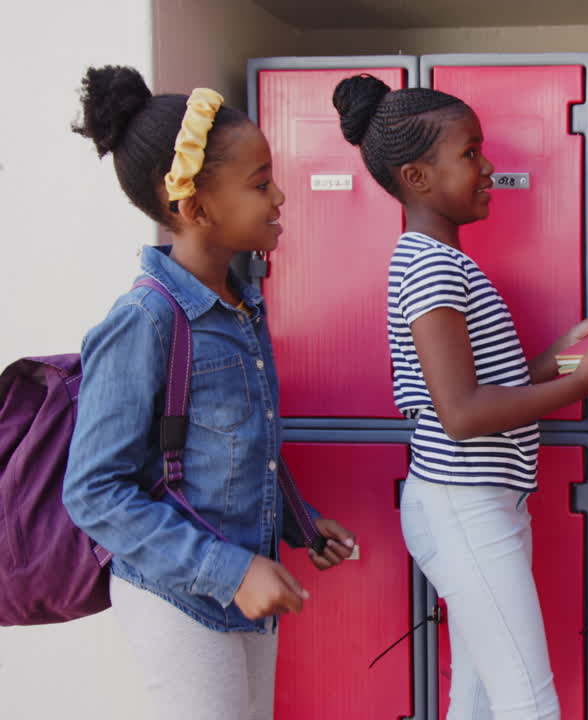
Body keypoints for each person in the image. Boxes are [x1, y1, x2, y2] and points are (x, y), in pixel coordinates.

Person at [333, 74, 588, 720]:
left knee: (475, 700)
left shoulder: (438, 262)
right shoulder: (431, 266)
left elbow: (481, 387)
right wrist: (579, 385)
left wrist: (562, 355)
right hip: (464, 508)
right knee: (530, 705)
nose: (489, 166)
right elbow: (462, 414)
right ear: (417, 178)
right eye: (470, 153)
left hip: (479, 504)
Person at [63, 65, 356, 720]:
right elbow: (94, 491)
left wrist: (300, 525)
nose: (280, 197)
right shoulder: (146, 319)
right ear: (194, 209)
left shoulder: (243, 304)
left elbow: (239, 447)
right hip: (179, 595)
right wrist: (232, 572)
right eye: (259, 184)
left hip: (241, 580)